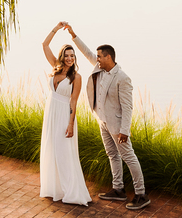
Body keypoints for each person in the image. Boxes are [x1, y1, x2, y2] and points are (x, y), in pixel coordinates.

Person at [63, 22, 151, 211]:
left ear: (108, 57)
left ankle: (141, 194)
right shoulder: (99, 68)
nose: (97, 59)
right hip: (102, 121)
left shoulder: (122, 78)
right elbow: (86, 52)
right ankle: (118, 189)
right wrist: (73, 35)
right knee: (112, 154)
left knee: (129, 157)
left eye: (100, 57)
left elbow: (128, 107)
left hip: (118, 126)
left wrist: (124, 130)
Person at [38, 23, 92, 206]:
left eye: (72, 56)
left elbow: (74, 101)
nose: (69, 58)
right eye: (66, 55)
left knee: (64, 152)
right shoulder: (55, 67)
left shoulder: (77, 77)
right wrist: (56, 28)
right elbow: (44, 45)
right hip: (51, 113)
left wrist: (70, 124)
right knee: (51, 148)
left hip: (64, 116)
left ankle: (71, 190)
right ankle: (55, 188)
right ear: (62, 57)